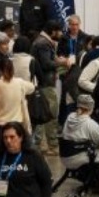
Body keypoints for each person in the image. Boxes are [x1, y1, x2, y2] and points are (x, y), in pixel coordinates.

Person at [61, 93, 99, 169]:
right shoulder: (89, 123)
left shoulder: (70, 117)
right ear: (91, 108)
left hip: (64, 156)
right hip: (78, 158)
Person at [0, 58, 35, 148]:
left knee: (0, 152)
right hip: (16, 123)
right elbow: (32, 88)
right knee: (15, 150)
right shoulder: (20, 83)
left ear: (0, 70)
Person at [31, 20, 62, 154]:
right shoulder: (44, 43)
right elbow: (46, 64)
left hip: (41, 83)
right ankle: (52, 146)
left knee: (41, 115)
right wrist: (62, 63)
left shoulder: (42, 41)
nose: (61, 34)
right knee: (51, 115)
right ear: (53, 31)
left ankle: (39, 145)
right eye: (59, 31)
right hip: (46, 84)